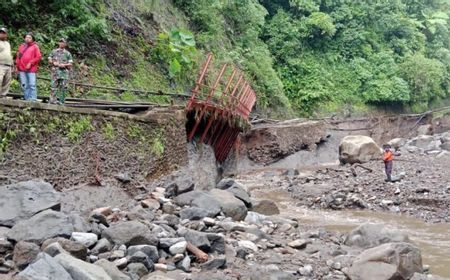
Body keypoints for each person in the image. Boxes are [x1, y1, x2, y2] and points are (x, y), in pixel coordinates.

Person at [16, 33, 42, 101]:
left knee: (32, 84)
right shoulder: (22, 46)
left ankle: (33, 99)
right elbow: (18, 56)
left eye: (29, 37)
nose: (27, 38)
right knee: (24, 85)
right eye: (26, 37)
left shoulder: (35, 46)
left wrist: (30, 63)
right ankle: (27, 99)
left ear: (32, 39)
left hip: (31, 69)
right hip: (22, 68)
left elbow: (38, 57)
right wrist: (17, 65)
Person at [48, 38, 73, 104]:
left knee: (63, 88)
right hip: (55, 73)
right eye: (60, 42)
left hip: (64, 73)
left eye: (63, 42)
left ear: (65, 44)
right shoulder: (54, 51)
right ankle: (52, 101)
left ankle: (61, 102)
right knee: (53, 87)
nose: (61, 43)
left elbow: (70, 64)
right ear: (58, 43)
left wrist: (64, 65)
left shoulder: (68, 54)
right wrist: (54, 63)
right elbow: (49, 60)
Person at [0, 27, 13, 98]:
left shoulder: (8, 44)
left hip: (8, 65)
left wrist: (12, 65)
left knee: (7, 81)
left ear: (6, 35)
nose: (1, 34)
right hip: (0, 64)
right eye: (0, 33)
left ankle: (3, 95)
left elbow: (9, 54)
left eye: (3, 33)